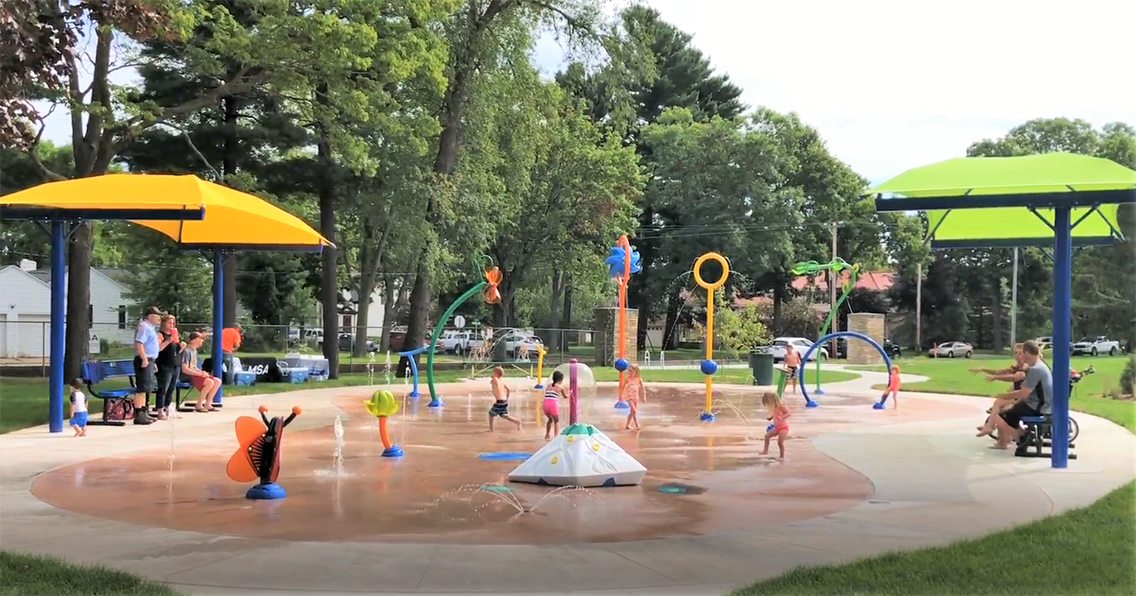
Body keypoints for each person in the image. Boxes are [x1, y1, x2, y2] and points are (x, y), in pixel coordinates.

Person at [990, 340, 1051, 450]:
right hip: (1039, 404)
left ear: (1027, 353)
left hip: (1037, 407)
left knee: (999, 416)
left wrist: (1003, 396)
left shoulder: (1036, 369)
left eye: (1022, 353)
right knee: (1009, 413)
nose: (1021, 356)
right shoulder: (1039, 366)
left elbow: (1023, 393)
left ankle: (1022, 437)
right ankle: (1023, 436)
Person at [972, 343, 1027, 437]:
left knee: (999, 403)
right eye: (1016, 353)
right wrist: (982, 369)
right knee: (999, 406)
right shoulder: (1015, 367)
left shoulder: (1025, 367)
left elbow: (1015, 377)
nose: (1018, 356)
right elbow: (998, 371)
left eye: (1020, 353)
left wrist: (996, 378)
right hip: (1017, 397)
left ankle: (990, 426)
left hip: (1023, 398)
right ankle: (1002, 438)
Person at [131, 306, 167, 425]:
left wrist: (152, 362)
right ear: (150, 316)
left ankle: (144, 412)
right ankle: (138, 414)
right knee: (142, 388)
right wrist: (144, 359)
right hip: (144, 359)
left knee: (147, 388)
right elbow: (139, 343)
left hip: (150, 360)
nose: (159, 318)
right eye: (158, 316)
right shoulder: (144, 327)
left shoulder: (151, 328)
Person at [181, 332, 221, 412]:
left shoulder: (194, 351)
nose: (202, 341)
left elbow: (195, 367)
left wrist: (203, 372)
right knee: (209, 382)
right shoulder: (187, 351)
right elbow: (185, 369)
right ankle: (198, 404)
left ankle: (208, 403)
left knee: (217, 381)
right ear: (195, 340)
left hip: (195, 373)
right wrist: (199, 374)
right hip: (188, 375)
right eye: (200, 339)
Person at [154, 314, 182, 420]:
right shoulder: (160, 335)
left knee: (171, 388)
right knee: (163, 388)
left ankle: (168, 408)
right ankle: (160, 409)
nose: (171, 325)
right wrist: (169, 340)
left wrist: (181, 347)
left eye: (173, 323)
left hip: (174, 364)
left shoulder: (174, 335)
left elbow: (175, 351)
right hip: (164, 365)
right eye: (169, 323)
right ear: (164, 323)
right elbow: (158, 349)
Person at [488, 367, 522, 431]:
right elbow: (508, 389)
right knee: (505, 415)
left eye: (493, 372)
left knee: (491, 414)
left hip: (499, 401)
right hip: (504, 401)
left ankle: (491, 429)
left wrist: (493, 379)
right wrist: (507, 398)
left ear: (496, 373)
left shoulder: (495, 379)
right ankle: (517, 421)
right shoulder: (502, 381)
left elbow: (492, 381)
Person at [759, 391, 790, 461]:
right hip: (777, 427)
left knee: (780, 442)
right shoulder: (775, 407)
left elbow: (788, 413)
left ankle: (782, 456)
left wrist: (782, 417)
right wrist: (771, 417)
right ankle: (765, 450)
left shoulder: (781, 406)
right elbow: (776, 414)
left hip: (784, 428)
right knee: (767, 436)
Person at [542, 370, 568, 440]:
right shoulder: (560, 387)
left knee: (550, 420)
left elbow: (547, 394)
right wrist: (570, 394)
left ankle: (547, 434)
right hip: (553, 405)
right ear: (560, 379)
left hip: (545, 404)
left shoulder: (548, 385)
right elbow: (565, 396)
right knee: (556, 421)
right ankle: (556, 436)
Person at [622, 363, 646, 431]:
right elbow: (623, 385)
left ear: (636, 371)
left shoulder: (639, 379)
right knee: (634, 410)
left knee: (632, 412)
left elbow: (643, 388)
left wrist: (644, 397)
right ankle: (637, 425)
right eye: (629, 371)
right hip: (629, 397)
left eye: (631, 371)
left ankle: (627, 425)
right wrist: (622, 394)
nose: (629, 372)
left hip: (635, 397)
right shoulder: (628, 379)